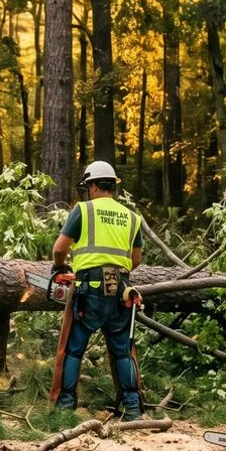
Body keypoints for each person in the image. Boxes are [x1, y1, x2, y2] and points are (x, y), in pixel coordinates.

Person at [48, 161, 145, 419]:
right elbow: (136, 260)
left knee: (74, 348)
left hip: (88, 290)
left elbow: (59, 249)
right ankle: (133, 408)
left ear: (92, 186)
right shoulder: (132, 218)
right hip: (122, 290)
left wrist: (61, 267)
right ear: (112, 186)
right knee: (123, 350)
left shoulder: (83, 211)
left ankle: (65, 407)